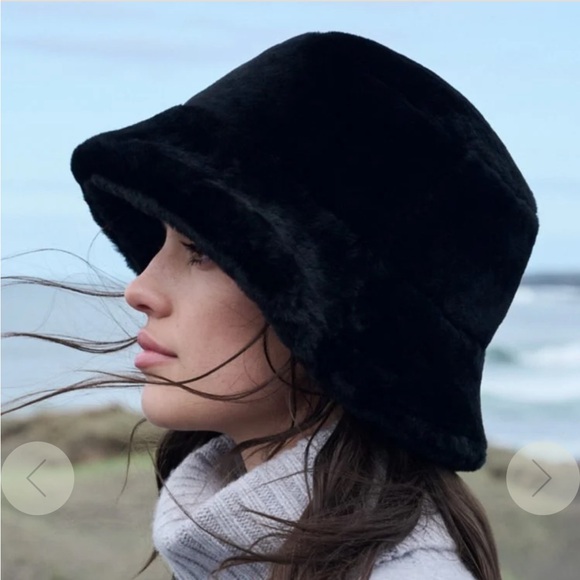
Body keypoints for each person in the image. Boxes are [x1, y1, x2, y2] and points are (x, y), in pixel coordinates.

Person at [3, 30, 539, 580]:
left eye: (201, 250)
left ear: (336, 314)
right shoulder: (237, 540)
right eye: (161, 240)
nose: (138, 288)